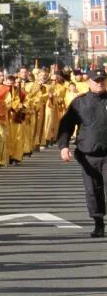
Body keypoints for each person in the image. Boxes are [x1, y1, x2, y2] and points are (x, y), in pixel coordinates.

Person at [57, 68, 107, 237]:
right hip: (88, 155)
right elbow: (66, 125)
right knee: (93, 191)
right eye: (96, 80)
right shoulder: (79, 103)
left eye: (102, 80)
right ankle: (98, 223)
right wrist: (64, 146)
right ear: (89, 82)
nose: (99, 83)